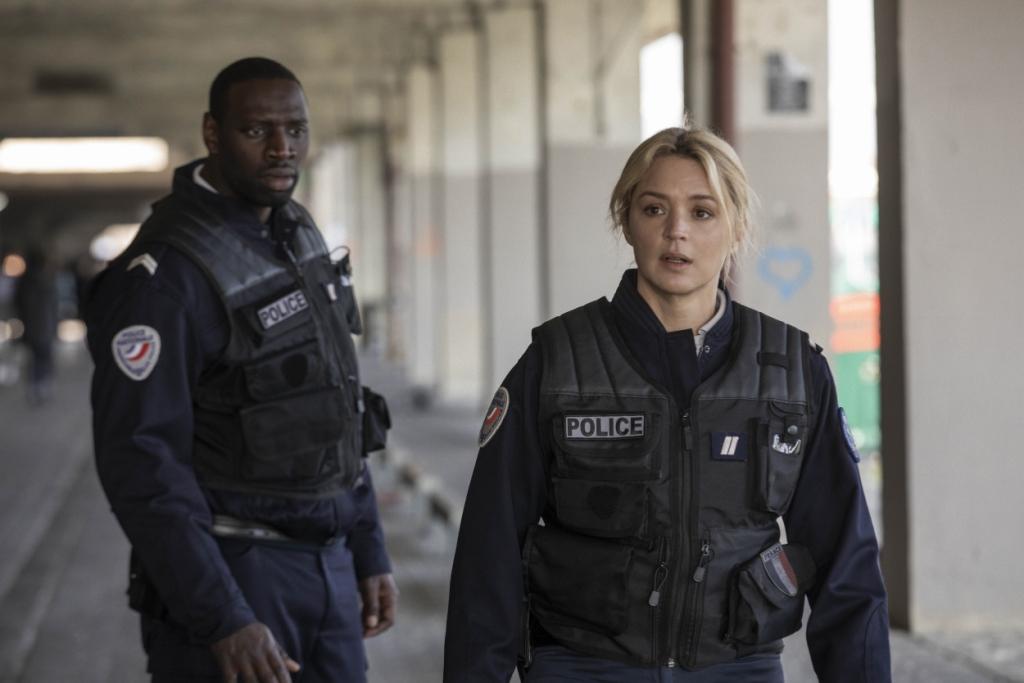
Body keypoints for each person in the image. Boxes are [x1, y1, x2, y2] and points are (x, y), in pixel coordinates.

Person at [444, 125, 890, 682]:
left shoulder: (793, 374)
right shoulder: (556, 366)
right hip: (582, 667)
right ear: (626, 220)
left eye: (702, 212)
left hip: (738, 671)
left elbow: (846, 564)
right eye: (655, 209)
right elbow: (488, 553)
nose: (677, 231)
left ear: (736, 227)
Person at [85, 57, 397, 683]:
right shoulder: (165, 278)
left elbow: (339, 405)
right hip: (238, 578)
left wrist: (368, 547)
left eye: (296, 129)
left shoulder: (298, 233)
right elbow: (141, 462)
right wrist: (221, 616)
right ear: (212, 133)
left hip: (330, 568)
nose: (283, 149)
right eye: (257, 131)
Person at [14, 247, 59, 404]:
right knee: (44, 357)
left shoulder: (24, 281)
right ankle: (42, 385)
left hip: (32, 327)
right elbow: (53, 307)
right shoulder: (46, 280)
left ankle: (35, 386)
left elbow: (18, 306)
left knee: (35, 359)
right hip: (44, 326)